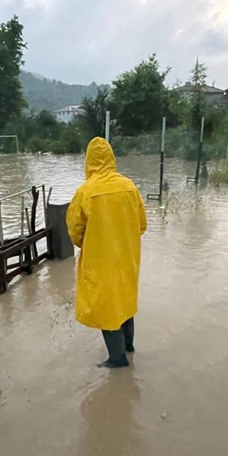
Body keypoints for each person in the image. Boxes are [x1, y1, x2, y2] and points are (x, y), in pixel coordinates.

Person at [67, 137, 147, 368]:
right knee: (124, 301)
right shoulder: (129, 187)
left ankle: (117, 359)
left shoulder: (85, 193)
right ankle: (128, 346)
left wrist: (95, 242)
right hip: (127, 258)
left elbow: (75, 232)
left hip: (100, 261)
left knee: (106, 306)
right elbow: (141, 225)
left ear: (89, 161)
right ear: (112, 158)